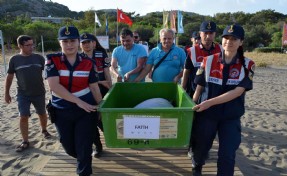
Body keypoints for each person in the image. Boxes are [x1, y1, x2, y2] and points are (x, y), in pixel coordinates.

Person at [191, 24, 255, 176]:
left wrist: (209, 102)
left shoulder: (248, 65)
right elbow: (199, 86)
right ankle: (197, 166)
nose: (229, 41)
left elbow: (237, 92)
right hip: (207, 115)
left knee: (227, 153)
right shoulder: (207, 61)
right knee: (201, 147)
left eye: (234, 39)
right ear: (222, 39)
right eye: (226, 38)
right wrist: (193, 104)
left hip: (230, 117)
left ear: (241, 42)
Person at [45, 26, 102, 176]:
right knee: (69, 147)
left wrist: (102, 107)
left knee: (84, 146)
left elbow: (94, 88)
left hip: (86, 110)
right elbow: (54, 86)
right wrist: (77, 101)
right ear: (59, 43)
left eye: (72, 41)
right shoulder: (52, 59)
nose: (69, 44)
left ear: (78, 42)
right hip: (61, 110)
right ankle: (82, 158)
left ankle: (84, 170)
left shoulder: (89, 63)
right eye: (65, 41)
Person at [181, 22, 223, 163]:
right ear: (200, 34)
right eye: (205, 33)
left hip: (214, 94)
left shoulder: (221, 49)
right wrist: (183, 90)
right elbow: (186, 73)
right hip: (194, 93)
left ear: (215, 34)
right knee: (194, 123)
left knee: (210, 126)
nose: (208, 36)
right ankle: (192, 149)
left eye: (211, 33)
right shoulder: (192, 51)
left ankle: (204, 149)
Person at [4, 35, 51, 152]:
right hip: (23, 93)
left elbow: (49, 74)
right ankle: (25, 141)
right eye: (28, 45)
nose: (31, 47)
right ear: (20, 46)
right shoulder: (14, 60)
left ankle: (44, 130)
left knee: (42, 113)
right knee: (23, 116)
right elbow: (9, 78)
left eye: (32, 44)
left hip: (39, 92)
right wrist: (6, 93)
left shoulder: (39, 58)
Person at [80, 32, 112, 158]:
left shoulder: (101, 54)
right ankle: (97, 146)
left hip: (103, 89)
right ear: (80, 44)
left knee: (103, 115)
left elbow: (106, 72)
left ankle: (111, 136)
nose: (86, 45)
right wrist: (99, 81)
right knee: (91, 119)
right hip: (87, 91)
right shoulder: (78, 57)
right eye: (83, 43)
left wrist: (109, 84)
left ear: (93, 43)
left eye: (88, 42)